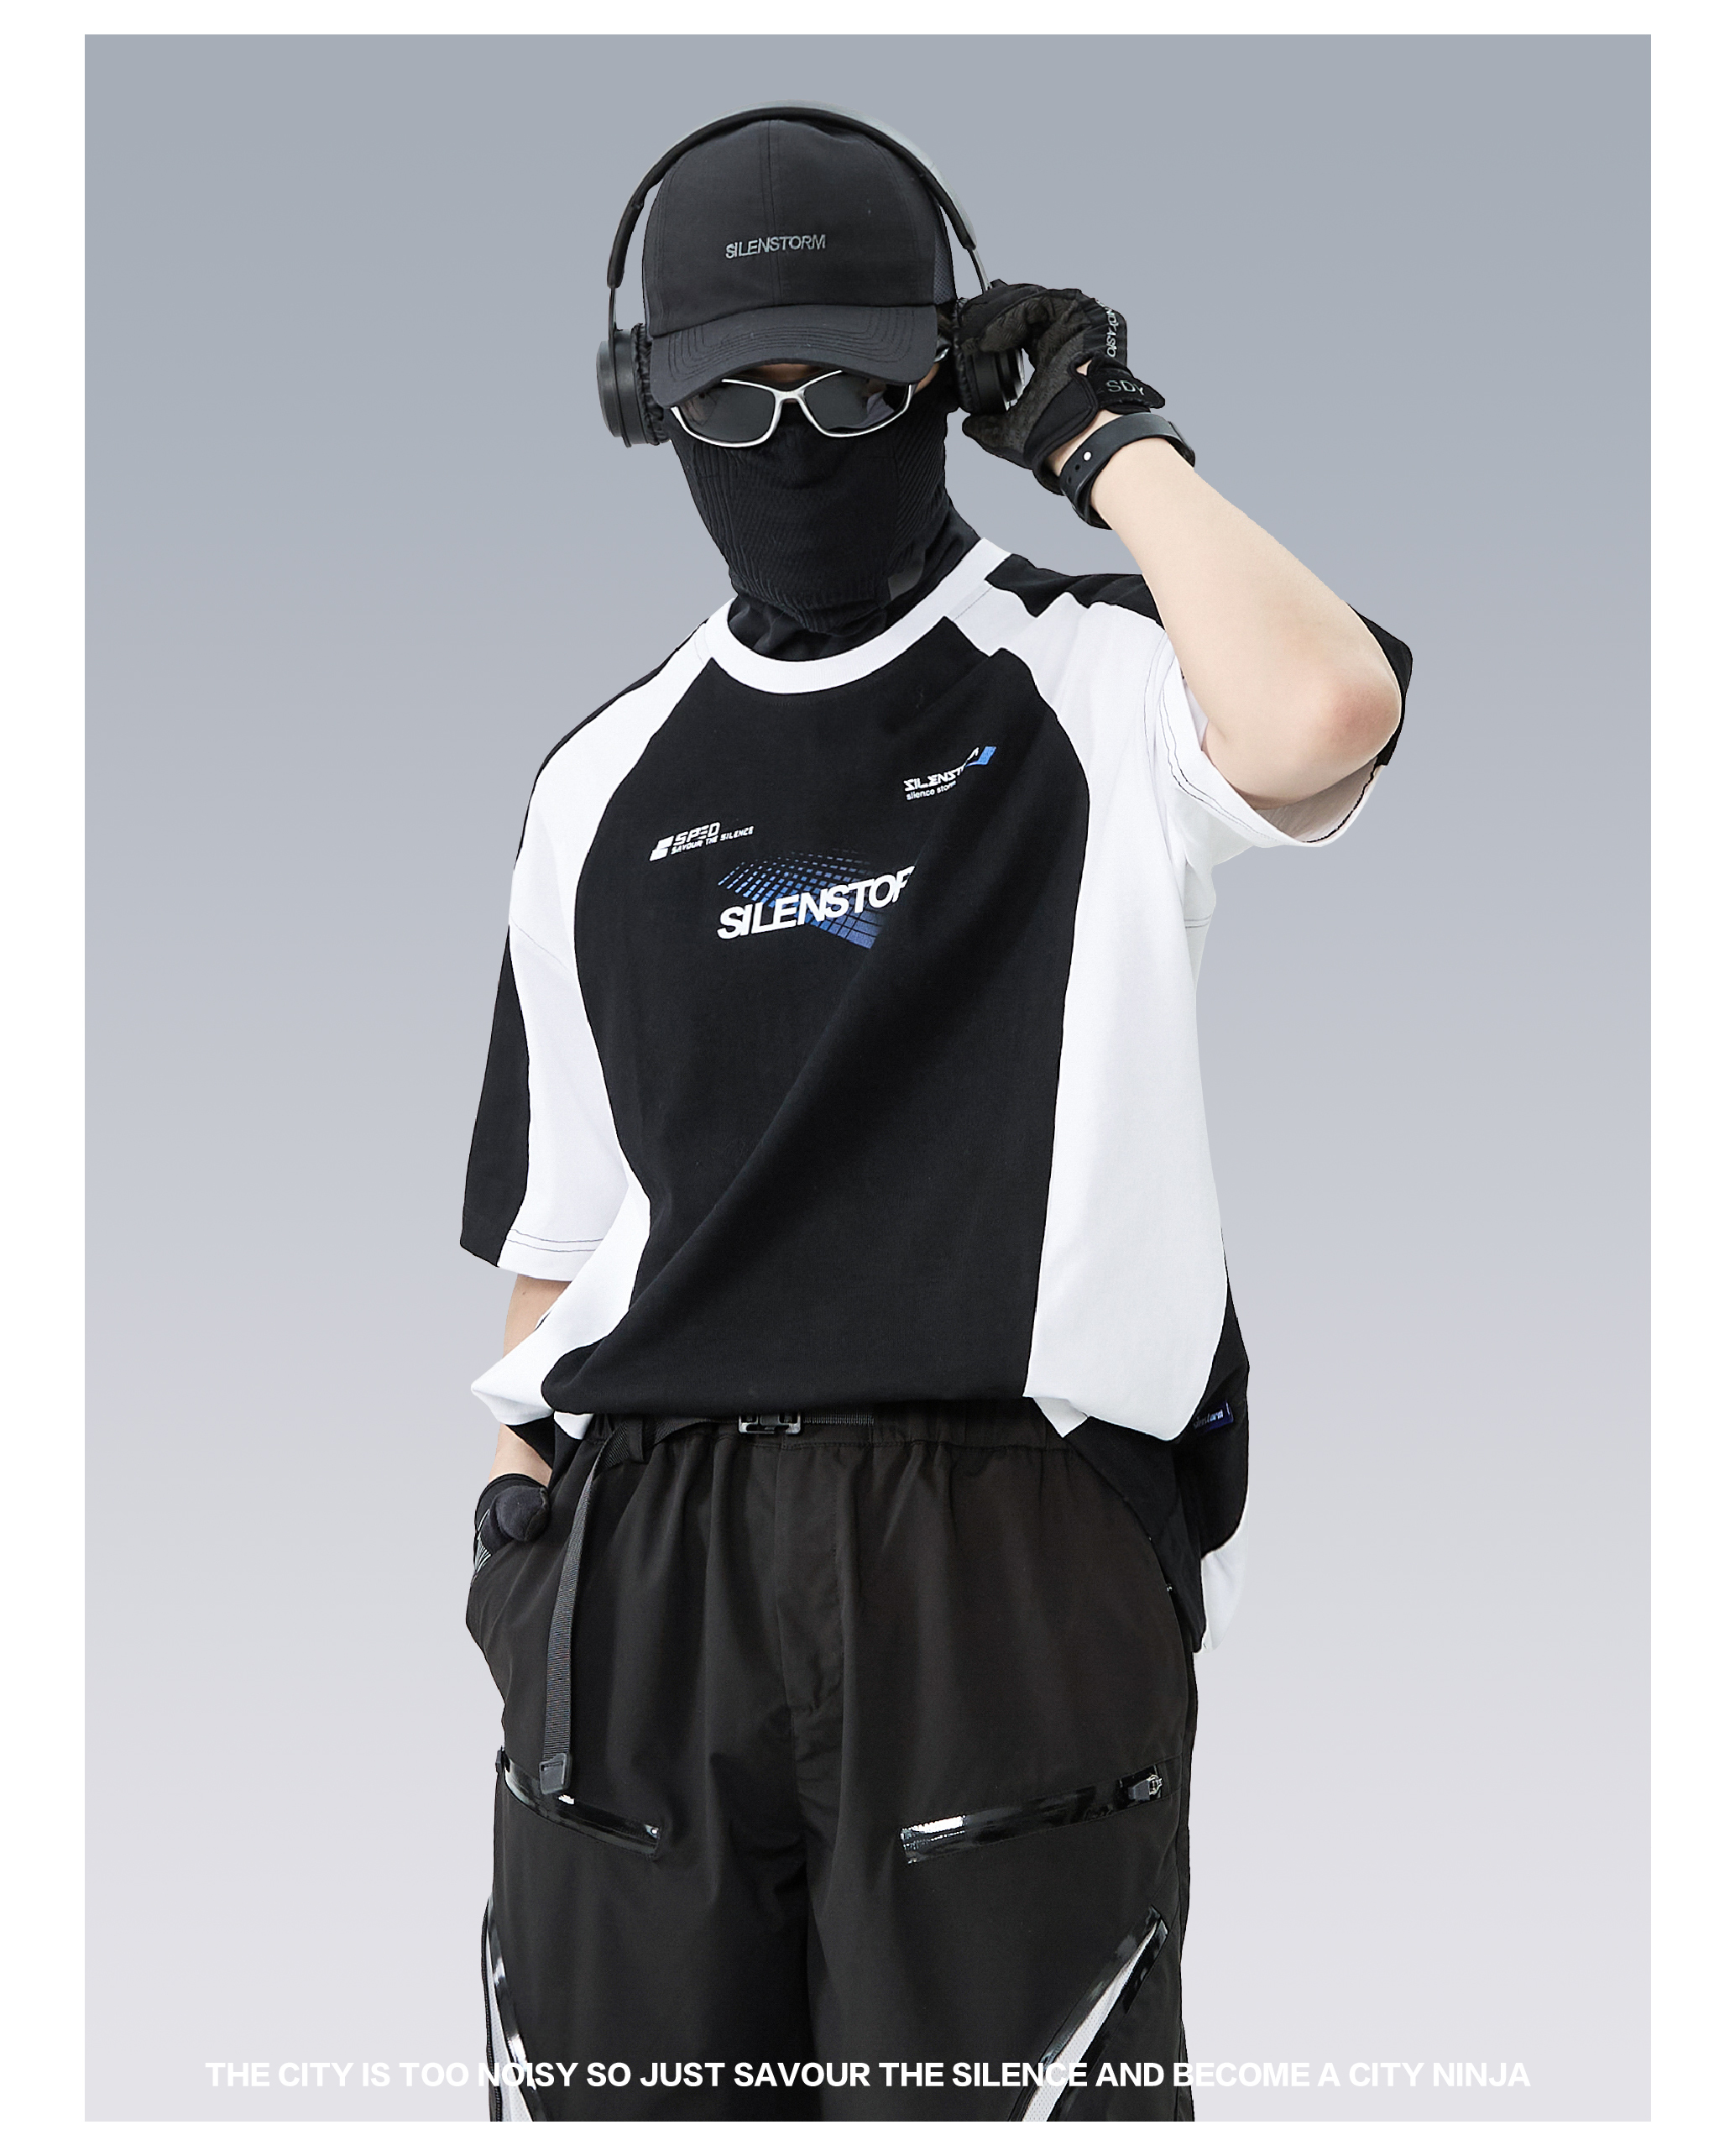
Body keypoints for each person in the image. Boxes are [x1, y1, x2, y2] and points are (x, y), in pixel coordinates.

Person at [459, 107, 1410, 2123]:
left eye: (857, 384)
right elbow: (562, 1232)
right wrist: (519, 1546)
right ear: (648, 403)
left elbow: (1323, 712)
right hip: (643, 1574)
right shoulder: (596, 784)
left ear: (945, 378)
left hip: (996, 1554)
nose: (794, 440)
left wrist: (1103, 440)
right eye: (732, 393)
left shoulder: (1093, 679)